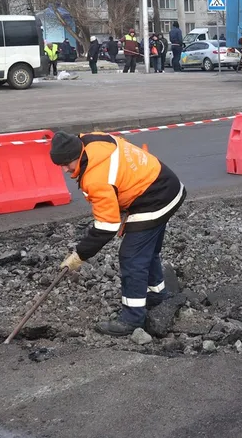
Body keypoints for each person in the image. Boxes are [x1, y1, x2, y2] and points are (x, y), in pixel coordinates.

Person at [49, 131, 186, 336]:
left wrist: (79, 254)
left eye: (66, 163)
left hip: (155, 198)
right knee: (146, 250)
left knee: (132, 256)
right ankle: (157, 295)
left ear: (77, 155)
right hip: (165, 183)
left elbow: (107, 227)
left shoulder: (96, 177)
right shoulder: (93, 139)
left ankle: (132, 320)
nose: (65, 170)